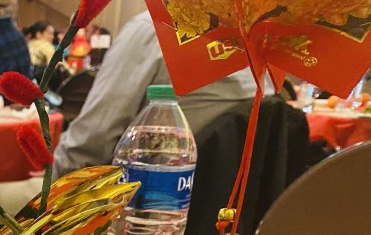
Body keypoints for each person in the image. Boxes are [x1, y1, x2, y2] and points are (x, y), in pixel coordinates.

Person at [54, 10, 264, 176]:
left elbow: (90, 144)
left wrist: (51, 183)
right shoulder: (260, 47)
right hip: (225, 208)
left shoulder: (152, 27)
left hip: (136, 201)